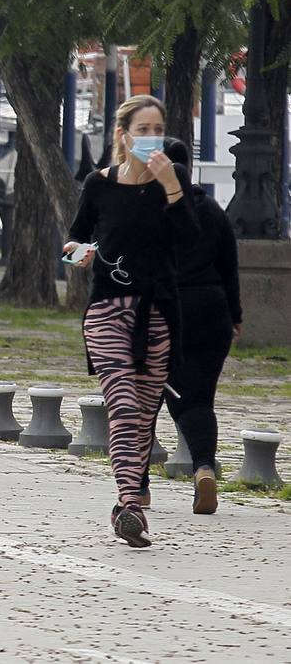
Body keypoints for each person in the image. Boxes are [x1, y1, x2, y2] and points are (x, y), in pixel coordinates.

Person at [64, 95, 198, 548]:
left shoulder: (172, 181)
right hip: (107, 312)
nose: (151, 137)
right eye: (142, 129)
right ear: (123, 136)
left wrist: (172, 186)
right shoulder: (98, 184)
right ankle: (131, 504)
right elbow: (77, 235)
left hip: (157, 314)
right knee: (121, 404)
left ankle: (127, 505)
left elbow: (190, 244)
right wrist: (77, 253)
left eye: (157, 128)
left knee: (142, 416)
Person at [161, 137, 240, 516]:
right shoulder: (211, 208)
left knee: (172, 396)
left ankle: (137, 486)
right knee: (201, 397)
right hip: (214, 313)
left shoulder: (155, 210)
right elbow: (229, 265)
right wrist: (236, 315)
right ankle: (205, 469)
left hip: (170, 312)